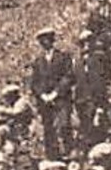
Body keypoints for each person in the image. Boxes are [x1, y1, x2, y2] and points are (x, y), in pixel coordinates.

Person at [28, 26, 75, 157]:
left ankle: (69, 154)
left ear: (52, 40)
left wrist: (56, 93)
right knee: (48, 130)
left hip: (61, 99)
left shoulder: (64, 57)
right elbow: (34, 83)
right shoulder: (38, 61)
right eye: (41, 40)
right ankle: (52, 156)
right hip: (45, 102)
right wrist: (43, 95)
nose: (44, 43)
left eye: (47, 39)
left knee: (64, 125)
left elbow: (69, 76)